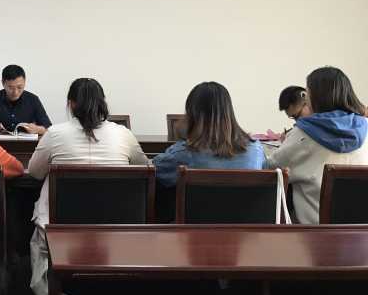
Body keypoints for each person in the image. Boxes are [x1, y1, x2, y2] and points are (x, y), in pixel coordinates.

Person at [27, 78, 148, 295]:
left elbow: (34, 172)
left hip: (61, 229)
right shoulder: (123, 134)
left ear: (71, 104)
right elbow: (144, 169)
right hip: (115, 226)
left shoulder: (55, 133)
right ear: (102, 102)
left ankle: (54, 294)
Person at [265, 67, 368, 224]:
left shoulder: (303, 134)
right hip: (361, 232)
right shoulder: (365, 125)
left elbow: (271, 169)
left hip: (315, 233)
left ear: (317, 97)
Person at [153, 82, 265, 187]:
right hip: (243, 203)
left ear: (192, 116)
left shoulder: (185, 154)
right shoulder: (256, 150)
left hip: (196, 203)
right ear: (229, 113)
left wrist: (184, 139)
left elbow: (153, 170)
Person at [0, 64, 51, 136]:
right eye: (10, 88)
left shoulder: (33, 99)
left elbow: (49, 128)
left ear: (24, 82)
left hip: (27, 143)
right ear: (3, 83)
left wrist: (37, 129)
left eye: (19, 87)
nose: (15, 92)